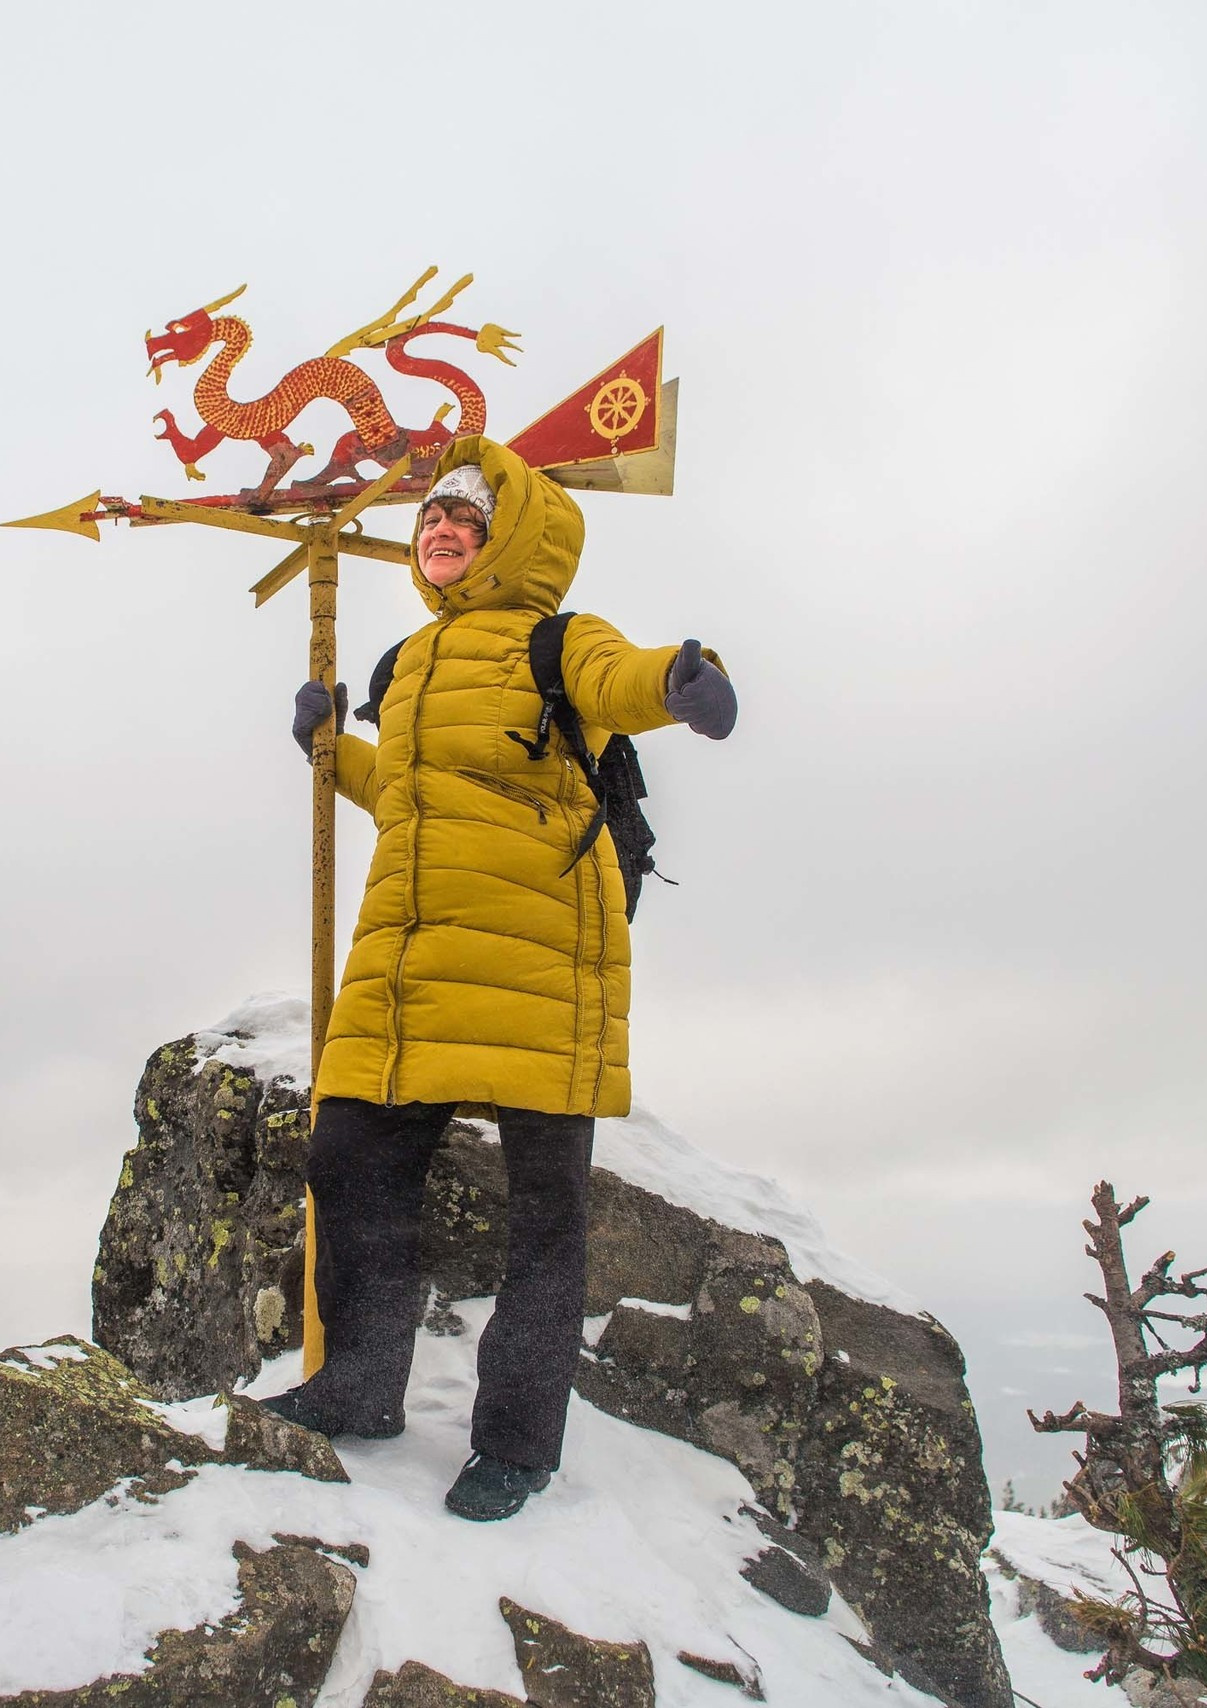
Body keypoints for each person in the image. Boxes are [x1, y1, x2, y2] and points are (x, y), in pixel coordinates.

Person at [266, 436, 736, 1520]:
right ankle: (359, 1380)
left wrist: (680, 682)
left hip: (541, 964)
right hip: (413, 961)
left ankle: (516, 1443)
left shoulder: (559, 641)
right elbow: (412, 801)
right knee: (347, 1161)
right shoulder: (405, 664)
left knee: (545, 1220)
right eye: (431, 517)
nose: (440, 530)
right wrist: (334, 750)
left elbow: (619, 681)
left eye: (465, 520)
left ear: (509, 539)